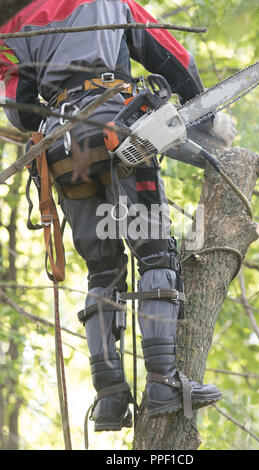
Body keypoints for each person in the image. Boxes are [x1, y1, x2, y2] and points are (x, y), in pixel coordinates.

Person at [0, 0, 235, 432]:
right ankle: (164, 383)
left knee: (102, 270)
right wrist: (205, 117)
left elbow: (18, 108)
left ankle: (109, 398)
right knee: (154, 253)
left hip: (60, 148)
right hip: (120, 125)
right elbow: (174, 58)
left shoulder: (11, 26)